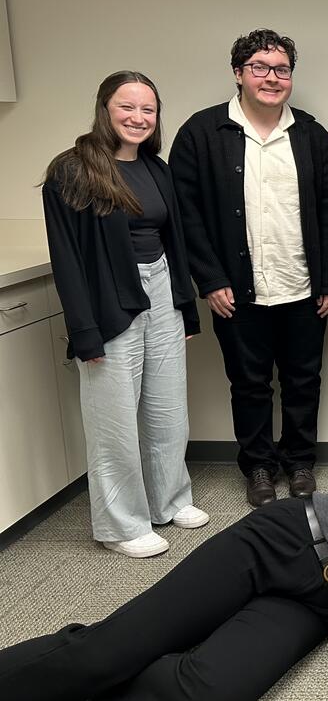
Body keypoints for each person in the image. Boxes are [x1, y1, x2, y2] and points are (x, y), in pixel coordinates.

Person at [0, 416, 328, 700]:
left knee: (214, 688)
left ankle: (114, 678)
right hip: (275, 545)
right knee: (111, 650)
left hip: (321, 596)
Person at [170, 29, 328, 507]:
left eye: (282, 69)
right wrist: (210, 279)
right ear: (238, 74)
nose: (272, 78)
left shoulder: (311, 136)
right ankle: (260, 468)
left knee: (303, 382)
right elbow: (186, 215)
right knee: (248, 385)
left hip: (303, 287)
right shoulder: (201, 134)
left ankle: (300, 461)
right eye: (260, 68)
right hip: (235, 292)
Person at [41, 71, 207, 558]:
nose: (138, 117)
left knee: (168, 409)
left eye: (148, 109)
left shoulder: (156, 168)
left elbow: (174, 241)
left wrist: (185, 309)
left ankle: (169, 500)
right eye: (126, 107)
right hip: (108, 300)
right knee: (113, 420)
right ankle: (120, 526)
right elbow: (67, 259)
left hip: (162, 291)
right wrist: (84, 332)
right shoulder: (72, 170)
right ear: (105, 109)